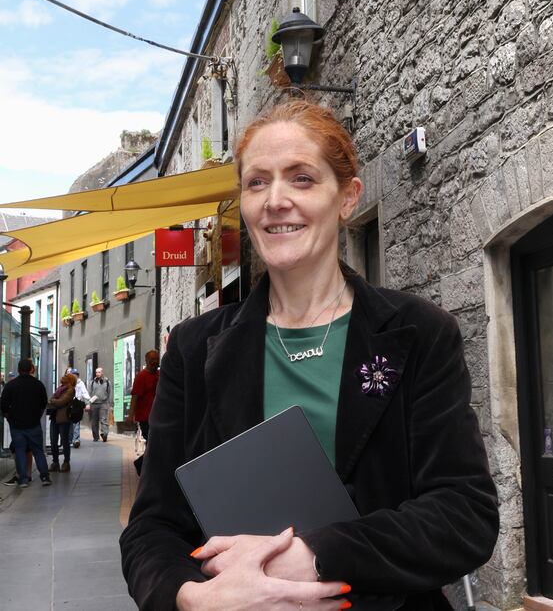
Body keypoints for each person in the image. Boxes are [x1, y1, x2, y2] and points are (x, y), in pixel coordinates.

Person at [120, 100, 498, 611]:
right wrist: (193, 599)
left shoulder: (419, 333)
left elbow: (463, 515)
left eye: (301, 178)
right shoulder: (192, 348)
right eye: (257, 182)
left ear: (347, 198)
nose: (275, 200)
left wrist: (315, 556)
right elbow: (152, 528)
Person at [0, 358, 51, 487]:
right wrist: (37, 415)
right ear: (31, 369)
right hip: (33, 424)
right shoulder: (38, 384)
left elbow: (4, 405)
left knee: (20, 451)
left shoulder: (11, 385)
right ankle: (45, 477)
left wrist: (9, 418)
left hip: (17, 425)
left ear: (18, 369)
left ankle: (23, 479)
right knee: (38, 451)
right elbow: (43, 402)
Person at [127, 350, 160, 441]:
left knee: (156, 442)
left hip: (158, 415)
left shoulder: (160, 374)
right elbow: (135, 397)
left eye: (157, 359)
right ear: (147, 360)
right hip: (145, 417)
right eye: (152, 359)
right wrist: (131, 416)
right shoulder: (141, 376)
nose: (155, 361)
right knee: (151, 441)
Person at [48, 371, 76, 472]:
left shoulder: (70, 390)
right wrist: (54, 401)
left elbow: (61, 402)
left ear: (70, 380)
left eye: (66, 376)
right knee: (53, 441)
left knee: (65, 442)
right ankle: (55, 462)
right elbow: (52, 399)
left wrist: (53, 401)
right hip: (54, 418)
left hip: (64, 419)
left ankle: (66, 462)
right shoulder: (60, 389)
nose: (63, 377)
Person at [88, 366, 112, 442]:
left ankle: (104, 434)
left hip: (104, 403)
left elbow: (110, 393)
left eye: (99, 372)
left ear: (102, 373)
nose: (97, 374)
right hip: (94, 404)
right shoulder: (92, 382)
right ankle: (95, 437)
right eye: (96, 372)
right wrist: (88, 403)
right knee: (94, 421)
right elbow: (89, 393)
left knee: (103, 420)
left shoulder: (107, 382)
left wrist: (110, 404)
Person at [69, 369, 90, 448]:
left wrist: (87, 403)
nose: (74, 376)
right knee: (70, 423)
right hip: (69, 405)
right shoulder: (68, 383)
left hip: (78, 405)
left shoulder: (80, 383)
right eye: (73, 374)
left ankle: (76, 440)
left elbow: (85, 393)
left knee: (76, 422)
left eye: (75, 375)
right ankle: (70, 439)